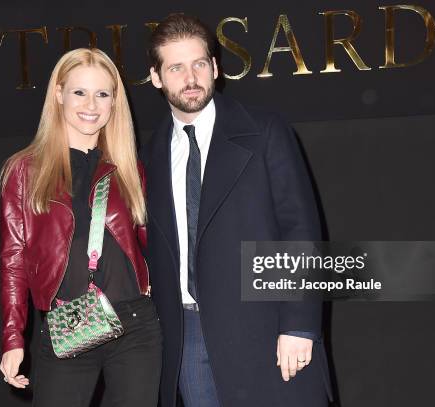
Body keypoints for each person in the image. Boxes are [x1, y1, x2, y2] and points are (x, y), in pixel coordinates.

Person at [139, 14, 333, 407]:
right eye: (175, 67)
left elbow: (301, 230)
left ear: (215, 67)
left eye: (199, 64)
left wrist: (298, 324)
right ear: (157, 78)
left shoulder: (264, 131)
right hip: (187, 335)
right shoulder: (148, 156)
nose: (190, 77)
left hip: (266, 327)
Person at [0, 48, 161, 407]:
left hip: (136, 323)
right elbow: (14, 259)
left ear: (115, 101)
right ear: (59, 94)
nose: (91, 104)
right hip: (69, 323)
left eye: (103, 93)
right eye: (79, 92)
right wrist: (13, 338)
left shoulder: (129, 167)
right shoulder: (24, 171)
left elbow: (151, 243)